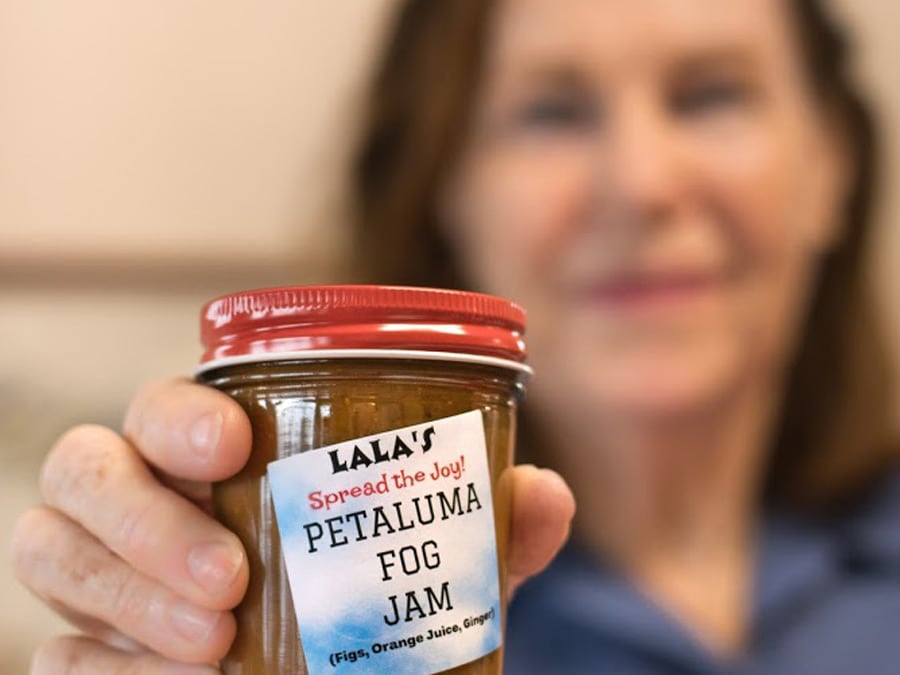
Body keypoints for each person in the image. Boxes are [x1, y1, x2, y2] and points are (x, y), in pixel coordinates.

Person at [11, 0, 899, 673]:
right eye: (552, 111)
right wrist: (195, 590)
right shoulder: (355, 603)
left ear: (833, 167)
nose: (642, 181)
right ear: (444, 189)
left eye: (711, 95)